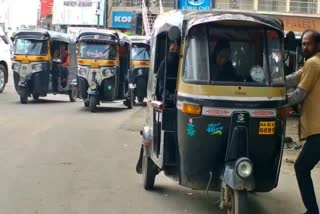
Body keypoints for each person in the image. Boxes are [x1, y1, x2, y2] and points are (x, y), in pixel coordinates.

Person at [285, 29, 320, 214]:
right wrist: (271, 81)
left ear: (318, 45)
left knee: (301, 167)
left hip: (318, 130)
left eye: (309, 43)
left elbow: (299, 94)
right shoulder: (311, 63)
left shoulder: (314, 63)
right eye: (303, 43)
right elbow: (293, 78)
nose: (305, 46)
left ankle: (312, 211)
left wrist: (277, 99)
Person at [135, 42, 179, 174]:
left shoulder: (184, 65)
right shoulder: (164, 65)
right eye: (171, 50)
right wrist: (169, 98)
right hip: (165, 104)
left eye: (175, 50)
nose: (173, 52)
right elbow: (161, 87)